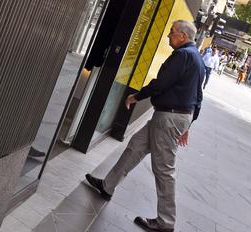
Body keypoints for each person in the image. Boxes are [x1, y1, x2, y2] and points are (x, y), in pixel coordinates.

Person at [85, 20, 205, 232]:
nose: (169, 35)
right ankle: (107, 186)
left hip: (169, 119)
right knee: (135, 147)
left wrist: (137, 96)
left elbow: (161, 83)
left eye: (172, 32)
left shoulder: (183, 56)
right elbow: (198, 97)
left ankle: (165, 222)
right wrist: (188, 125)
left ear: (183, 37)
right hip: (171, 117)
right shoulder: (197, 59)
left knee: (164, 169)